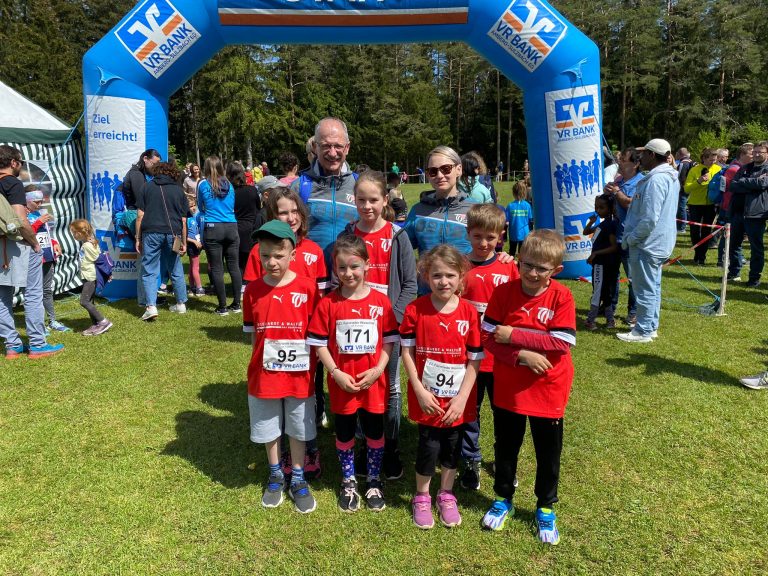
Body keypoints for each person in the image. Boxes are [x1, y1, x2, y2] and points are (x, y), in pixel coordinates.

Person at [479, 230, 575, 545]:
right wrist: (521, 356)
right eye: (527, 265)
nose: (533, 273)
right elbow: (488, 336)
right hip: (509, 387)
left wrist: (515, 336)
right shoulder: (504, 293)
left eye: (541, 269)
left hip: (549, 390)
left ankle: (546, 507)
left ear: (555, 271)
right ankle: (503, 497)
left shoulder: (562, 297)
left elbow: (562, 342)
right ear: (519, 261)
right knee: (506, 447)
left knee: (548, 452)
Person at [308, 234, 399, 512]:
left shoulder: (381, 302)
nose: (349, 273)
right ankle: (348, 481)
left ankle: (373, 479)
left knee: (374, 431)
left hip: (373, 382)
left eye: (355, 266)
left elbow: (389, 339)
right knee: (345, 433)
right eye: (342, 268)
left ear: (368, 265)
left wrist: (378, 369)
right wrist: (335, 372)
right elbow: (319, 342)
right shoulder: (328, 304)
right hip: (342, 383)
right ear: (335, 268)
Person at [243, 186, 328, 479]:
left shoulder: (312, 257)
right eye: (283, 211)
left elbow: (318, 313)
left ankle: (305, 456)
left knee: (304, 404)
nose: (290, 217)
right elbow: (255, 313)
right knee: (277, 407)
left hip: (304, 354)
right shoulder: (259, 261)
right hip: (269, 355)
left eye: (294, 211)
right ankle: (278, 469)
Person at [400, 245, 482, 529]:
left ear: (461, 277)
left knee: (452, 447)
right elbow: (407, 353)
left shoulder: (470, 313)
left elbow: (474, 361)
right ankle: (422, 496)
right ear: (425, 276)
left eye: (450, 275)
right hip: (428, 398)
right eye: (436, 275)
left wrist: (461, 399)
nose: (443, 282)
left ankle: (446, 494)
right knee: (428, 446)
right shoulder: (415, 310)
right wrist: (420, 391)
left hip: (457, 400)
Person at [343, 170, 417, 481]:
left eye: (374, 199)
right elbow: (340, 279)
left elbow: (410, 285)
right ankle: (364, 445)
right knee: (359, 385)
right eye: (361, 200)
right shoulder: (348, 235)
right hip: (354, 327)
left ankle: (390, 448)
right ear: (354, 200)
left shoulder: (397, 236)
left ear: (385, 200)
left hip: (388, 329)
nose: (367, 206)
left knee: (390, 388)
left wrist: (393, 322)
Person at [459, 204, 520, 491]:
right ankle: (470, 460)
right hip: (468, 357)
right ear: (468, 233)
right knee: (469, 411)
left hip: (500, 358)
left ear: (500, 237)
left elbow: (521, 305)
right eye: (478, 236)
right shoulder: (459, 267)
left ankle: (502, 460)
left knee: (503, 412)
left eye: (490, 237)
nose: (484, 243)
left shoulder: (509, 266)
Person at [0, 145, 64, 358]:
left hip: (1, 247)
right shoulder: (12, 183)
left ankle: (12, 345)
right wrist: (35, 242)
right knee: (34, 293)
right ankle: (37, 344)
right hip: (19, 245)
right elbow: (21, 219)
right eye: (20, 162)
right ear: (14, 163)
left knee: (2, 298)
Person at [617, 139, 679, 343]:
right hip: (657, 241)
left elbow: (650, 218)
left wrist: (633, 238)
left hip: (647, 243)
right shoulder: (669, 177)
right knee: (652, 286)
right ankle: (650, 326)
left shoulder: (656, 180)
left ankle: (643, 330)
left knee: (644, 288)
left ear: (653, 155)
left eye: (644, 153)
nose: (640, 157)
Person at [291, 117, 358, 267]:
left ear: (347, 147)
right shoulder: (299, 187)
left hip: (350, 278)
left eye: (338, 146)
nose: (333, 153)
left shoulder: (360, 186)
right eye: (326, 146)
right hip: (311, 278)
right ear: (315, 147)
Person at [403, 145, 476, 273]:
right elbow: (402, 249)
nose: (439, 175)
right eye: (433, 171)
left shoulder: (474, 209)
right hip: (427, 291)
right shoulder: (418, 211)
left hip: (466, 289)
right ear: (427, 175)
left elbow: (488, 248)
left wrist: (504, 257)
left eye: (446, 169)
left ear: (458, 169)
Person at [135, 162, 189, 321]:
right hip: (174, 234)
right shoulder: (179, 191)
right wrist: (184, 242)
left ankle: (151, 306)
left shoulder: (146, 187)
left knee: (149, 269)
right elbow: (184, 220)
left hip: (151, 233)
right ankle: (181, 303)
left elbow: (140, 216)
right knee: (175, 267)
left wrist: (138, 238)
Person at [198, 155, 242, 315]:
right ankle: (237, 304)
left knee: (217, 267)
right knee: (234, 266)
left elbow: (200, 207)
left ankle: (222, 306)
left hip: (213, 226)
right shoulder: (230, 185)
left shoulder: (203, 184)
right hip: (231, 226)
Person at [604, 147, 643, 326]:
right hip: (616, 237)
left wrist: (616, 192)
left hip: (630, 239)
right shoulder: (619, 180)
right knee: (612, 276)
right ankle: (609, 307)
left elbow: (630, 205)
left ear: (635, 164)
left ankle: (633, 312)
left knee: (633, 279)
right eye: (619, 159)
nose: (619, 162)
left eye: (624, 160)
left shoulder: (641, 182)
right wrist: (608, 194)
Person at [24, 189, 70, 333]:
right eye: (36, 202)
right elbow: (25, 234)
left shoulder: (38, 213)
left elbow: (44, 235)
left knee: (47, 290)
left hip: (47, 256)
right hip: (32, 257)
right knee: (34, 292)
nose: (39, 204)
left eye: (41, 202)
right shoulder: (22, 214)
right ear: (27, 200)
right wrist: (38, 222)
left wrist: (54, 242)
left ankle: (52, 321)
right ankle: (37, 325)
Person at [729, 141, 768, 288]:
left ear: (767, 153)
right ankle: (734, 272)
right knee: (734, 245)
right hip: (738, 212)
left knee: (756, 248)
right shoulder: (745, 168)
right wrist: (751, 184)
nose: (756, 154)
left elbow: (762, 184)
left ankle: (754, 278)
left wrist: (744, 183)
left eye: (760, 152)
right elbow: (733, 185)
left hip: (756, 214)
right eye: (755, 152)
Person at [582, 194, 620, 330]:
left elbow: (614, 246)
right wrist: (591, 221)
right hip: (600, 264)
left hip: (603, 264)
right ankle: (610, 320)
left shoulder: (610, 225)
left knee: (598, 292)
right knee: (604, 292)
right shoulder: (602, 224)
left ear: (610, 209)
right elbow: (586, 232)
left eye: (601, 207)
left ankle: (591, 320)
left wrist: (596, 253)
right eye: (596, 207)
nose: (598, 210)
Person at [69, 219, 112, 335]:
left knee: (84, 301)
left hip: (90, 277)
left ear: (80, 232)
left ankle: (103, 322)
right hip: (87, 276)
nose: (73, 235)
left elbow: (100, 260)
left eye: (74, 233)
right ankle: (96, 324)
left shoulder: (88, 245)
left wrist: (107, 273)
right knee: (90, 301)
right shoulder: (89, 243)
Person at [720, 144, 752, 279]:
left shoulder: (745, 169)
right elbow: (732, 187)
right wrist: (750, 184)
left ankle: (733, 263)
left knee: (733, 239)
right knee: (730, 239)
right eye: (751, 153)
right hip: (732, 209)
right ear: (742, 155)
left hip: (741, 210)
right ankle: (728, 264)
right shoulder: (735, 169)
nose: (753, 156)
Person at [684, 148, 718, 265]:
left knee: (706, 231)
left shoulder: (718, 169)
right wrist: (698, 181)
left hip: (711, 205)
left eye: (715, 160)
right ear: (703, 158)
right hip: (695, 204)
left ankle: (702, 256)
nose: (713, 162)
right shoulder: (694, 170)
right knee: (694, 231)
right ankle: (697, 253)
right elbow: (687, 188)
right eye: (710, 160)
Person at [229, 162, 261, 279]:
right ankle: (247, 283)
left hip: (235, 227)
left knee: (237, 261)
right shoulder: (252, 190)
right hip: (251, 227)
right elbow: (258, 208)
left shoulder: (230, 193)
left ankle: (241, 285)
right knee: (248, 259)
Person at [505, 180, 534, 256]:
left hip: (513, 233)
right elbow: (531, 219)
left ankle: (512, 267)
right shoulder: (527, 205)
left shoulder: (510, 206)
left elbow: (506, 221)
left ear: (513, 193)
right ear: (525, 192)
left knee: (511, 253)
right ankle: (520, 267)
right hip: (524, 234)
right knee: (522, 254)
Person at [186, 196, 205, 297]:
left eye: (194, 205)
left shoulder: (195, 217)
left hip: (196, 245)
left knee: (191, 266)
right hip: (192, 246)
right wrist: (194, 242)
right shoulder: (186, 220)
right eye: (190, 206)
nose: (193, 208)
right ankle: (199, 288)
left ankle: (191, 287)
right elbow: (184, 236)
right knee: (195, 267)